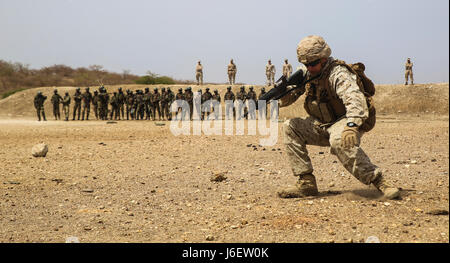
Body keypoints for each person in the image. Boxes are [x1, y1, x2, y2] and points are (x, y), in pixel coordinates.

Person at [277, 35, 400, 200]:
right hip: (322, 123)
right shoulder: (307, 74)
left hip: (343, 120)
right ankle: (306, 183)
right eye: (306, 64)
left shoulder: (338, 73)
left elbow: (355, 100)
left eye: (313, 63)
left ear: (324, 58)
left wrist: (351, 125)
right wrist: (282, 93)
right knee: (290, 126)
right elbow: (288, 100)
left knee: (340, 140)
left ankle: (380, 182)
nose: (310, 67)